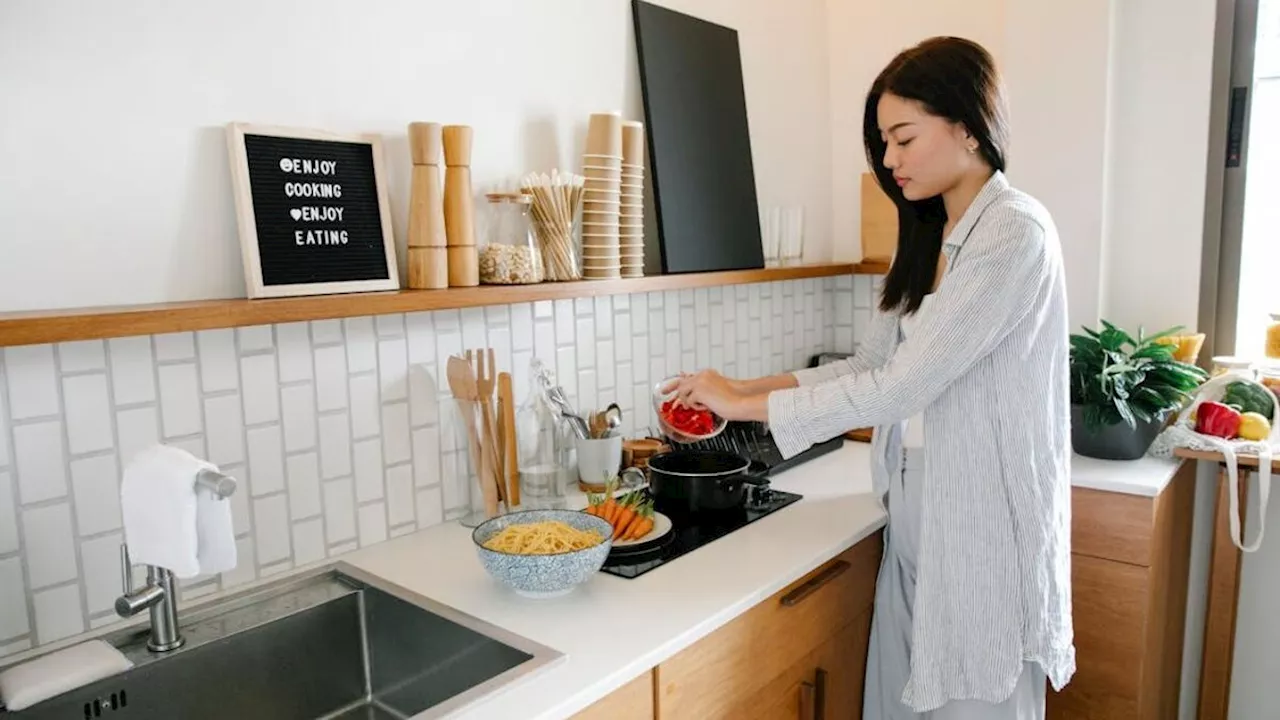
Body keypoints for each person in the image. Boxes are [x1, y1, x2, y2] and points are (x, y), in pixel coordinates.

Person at [668, 36, 1074, 719]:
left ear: (968, 125)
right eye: (882, 142)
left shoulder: (1014, 235)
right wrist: (743, 388)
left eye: (903, 137)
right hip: (917, 508)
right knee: (899, 700)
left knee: (977, 696)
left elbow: (903, 388)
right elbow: (867, 367)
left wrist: (743, 402)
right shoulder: (927, 238)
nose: (889, 159)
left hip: (982, 527)